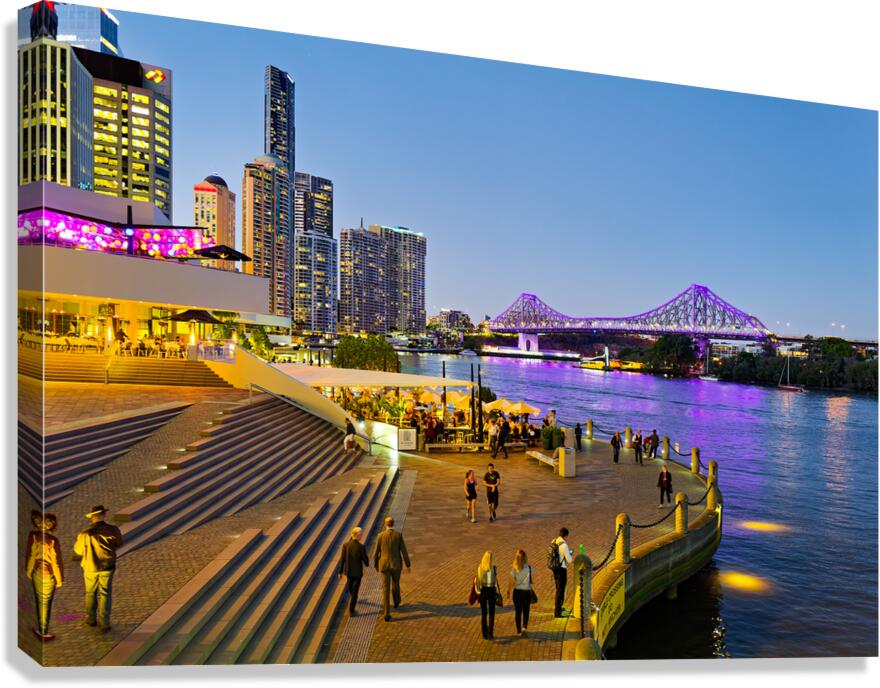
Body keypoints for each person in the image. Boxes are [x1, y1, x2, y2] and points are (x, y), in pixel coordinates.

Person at [72, 505, 124, 633]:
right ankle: (104, 623)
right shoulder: (113, 530)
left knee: (90, 593)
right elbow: (119, 543)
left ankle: (91, 619)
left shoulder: (84, 534)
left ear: (92, 518)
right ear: (104, 516)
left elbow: (77, 551)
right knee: (105, 593)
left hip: (90, 567)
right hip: (107, 565)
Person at [25, 510, 63, 641]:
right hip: (48, 575)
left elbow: (31, 556)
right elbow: (56, 563)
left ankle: (41, 629)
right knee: (46, 603)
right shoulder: (53, 541)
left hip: (36, 573)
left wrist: (29, 572)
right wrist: (59, 580)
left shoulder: (33, 536)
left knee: (39, 601)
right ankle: (43, 631)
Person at [373, 516, 411, 622]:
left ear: (385, 524)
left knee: (386, 588)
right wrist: (408, 564)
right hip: (396, 564)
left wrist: (376, 564)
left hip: (384, 565)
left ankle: (386, 613)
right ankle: (397, 601)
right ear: (393, 524)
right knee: (396, 583)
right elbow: (403, 550)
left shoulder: (380, 536)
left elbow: (376, 552)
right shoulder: (398, 535)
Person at [338, 527, 369, 616]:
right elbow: (365, 559)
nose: (362, 536)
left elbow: (342, 559)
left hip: (349, 571)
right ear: (357, 535)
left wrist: (340, 571)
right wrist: (366, 563)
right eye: (361, 534)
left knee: (351, 587)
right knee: (355, 590)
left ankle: (353, 598)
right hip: (357, 573)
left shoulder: (345, 545)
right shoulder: (361, 547)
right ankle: (351, 610)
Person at [506, 549, 533, 637]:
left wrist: (508, 591)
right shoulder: (529, 568)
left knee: (518, 612)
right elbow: (533, 581)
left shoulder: (515, 569)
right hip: (526, 592)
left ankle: (518, 630)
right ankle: (524, 627)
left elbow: (511, 582)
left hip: (517, 592)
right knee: (526, 610)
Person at [474, 551, 499, 640]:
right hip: (491, 591)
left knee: (484, 613)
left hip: (483, 591)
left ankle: (484, 633)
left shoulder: (480, 568)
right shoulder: (494, 568)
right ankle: (490, 633)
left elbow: (479, 582)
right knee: (492, 613)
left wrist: (478, 592)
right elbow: (495, 582)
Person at [550, 527, 573, 618]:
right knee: (561, 591)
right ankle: (557, 612)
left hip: (555, 568)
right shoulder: (564, 545)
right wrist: (570, 554)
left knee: (558, 588)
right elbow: (569, 560)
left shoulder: (554, 541)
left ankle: (559, 607)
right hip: (562, 570)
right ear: (566, 535)